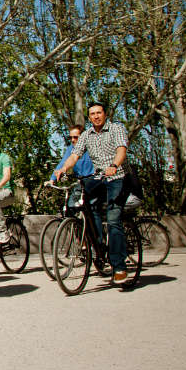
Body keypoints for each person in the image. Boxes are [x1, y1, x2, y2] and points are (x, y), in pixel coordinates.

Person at [55, 102, 130, 284]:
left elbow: (121, 150)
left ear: (105, 114)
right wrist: (64, 169)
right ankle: (97, 246)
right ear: (89, 117)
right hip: (98, 179)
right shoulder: (86, 135)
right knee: (82, 203)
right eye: (92, 114)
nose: (96, 116)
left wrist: (114, 165)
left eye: (99, 113)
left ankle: (119, 266)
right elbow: (75, 155)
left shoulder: (116, 129)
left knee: (113, 219)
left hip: (117, 177)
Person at [44, 124, 94, 208]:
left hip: (94, 181)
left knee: (92, 207)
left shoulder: (92, 147)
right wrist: (52, 179)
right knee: (71, 205)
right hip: (81, 182)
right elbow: (63, 163)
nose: (72, 140)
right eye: (70, 138)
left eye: (75, 137)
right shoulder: (71, 149)